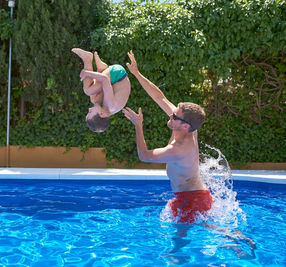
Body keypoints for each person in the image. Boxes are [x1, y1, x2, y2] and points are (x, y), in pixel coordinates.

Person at [122, 50, 211, 223]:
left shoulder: (178, 149)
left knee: (178, 245)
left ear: (185, 126)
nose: (170, 115)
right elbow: (159, 97)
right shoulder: (187, 125)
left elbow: (144, 156)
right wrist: (137, 74)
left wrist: (138, 126)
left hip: (192, 199)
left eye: (175, 116)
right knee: (205, 228)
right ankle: (235, 237)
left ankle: (236, 238)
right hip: (194, 195)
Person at [72, 48, 131, 132]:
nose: (89, 109)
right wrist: (86, 73)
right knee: (88, 90)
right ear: (102, 114)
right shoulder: (111, 105)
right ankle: (87, 59)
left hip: (114, 80)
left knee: (94, 99)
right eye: (90, 112)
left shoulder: (108, 109)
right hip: (118, 73)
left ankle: (102, 68)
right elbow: (105, 79)